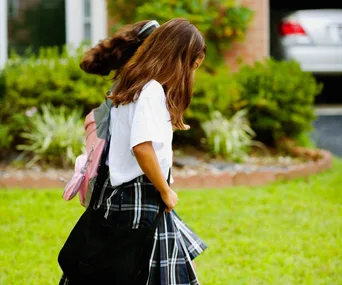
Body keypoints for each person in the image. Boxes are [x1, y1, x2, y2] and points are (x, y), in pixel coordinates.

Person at [59, 18, 207, 285]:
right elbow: (142, 147)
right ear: (177, 57)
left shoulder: (132, 85)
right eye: (191, 66)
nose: (189, 74)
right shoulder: (150, 91)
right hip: (140, 194)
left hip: (128, 197)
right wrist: (165, 190)